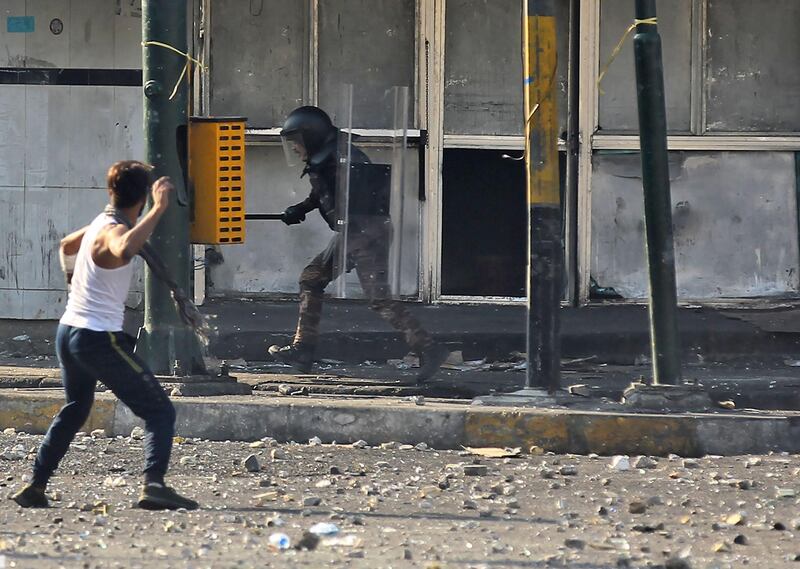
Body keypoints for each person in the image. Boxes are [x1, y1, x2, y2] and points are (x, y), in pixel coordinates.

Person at [11, 161, 198, 511]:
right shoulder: (114, 229)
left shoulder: (101, 220)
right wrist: (159, 209)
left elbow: (67, 244)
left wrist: (72, 284)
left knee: (75, 409)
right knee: (160, 411)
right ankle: (154, 485)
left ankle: (35, 486)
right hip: (97, 337)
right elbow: (125, 248)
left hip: (69, 331)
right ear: (142, 197)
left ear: (112, 192)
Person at [270, 106, 449, 382]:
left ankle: (429, 348)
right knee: (312, 278)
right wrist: (301, 208)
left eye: (296, 140)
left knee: (380, 300)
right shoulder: (327, 157)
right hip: (353, 233)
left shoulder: (342, 158)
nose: (293, 148)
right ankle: (303, 349)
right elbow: (323, 192)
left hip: (366, 234)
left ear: (311, 136)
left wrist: (358, 241)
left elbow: (360, 200)